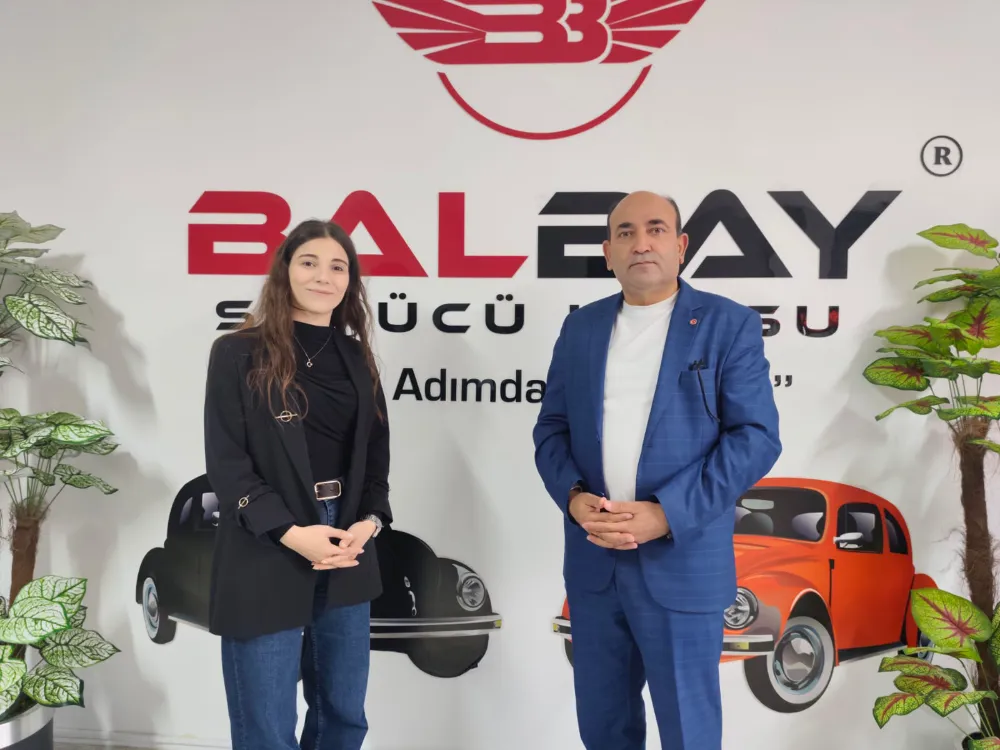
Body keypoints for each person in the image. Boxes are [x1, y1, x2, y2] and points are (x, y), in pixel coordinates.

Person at [532, 191, 781, 750]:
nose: (640, 243)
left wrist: (666, 513)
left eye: (655, 229)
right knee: (604, 728)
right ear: (608, 252)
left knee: (688, 733)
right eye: (625, 232)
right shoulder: (581, 329)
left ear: (681, 245)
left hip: (681, 564)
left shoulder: (728, 325)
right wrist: (573, 497)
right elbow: (551, 429)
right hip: (595, 565)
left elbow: (756, 438)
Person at [203, 219, 392, 750]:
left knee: (343, 715)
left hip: (348, 544)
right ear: (285, 270)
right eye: (309, 262)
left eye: (338, 266)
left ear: (350, 281)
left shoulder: (357, 357)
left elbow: (376, 456)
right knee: (266, 725)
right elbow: (227, 463)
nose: (323, 276)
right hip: (268, 541)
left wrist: (370, 522)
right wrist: (290, 532)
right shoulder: (237, 352)